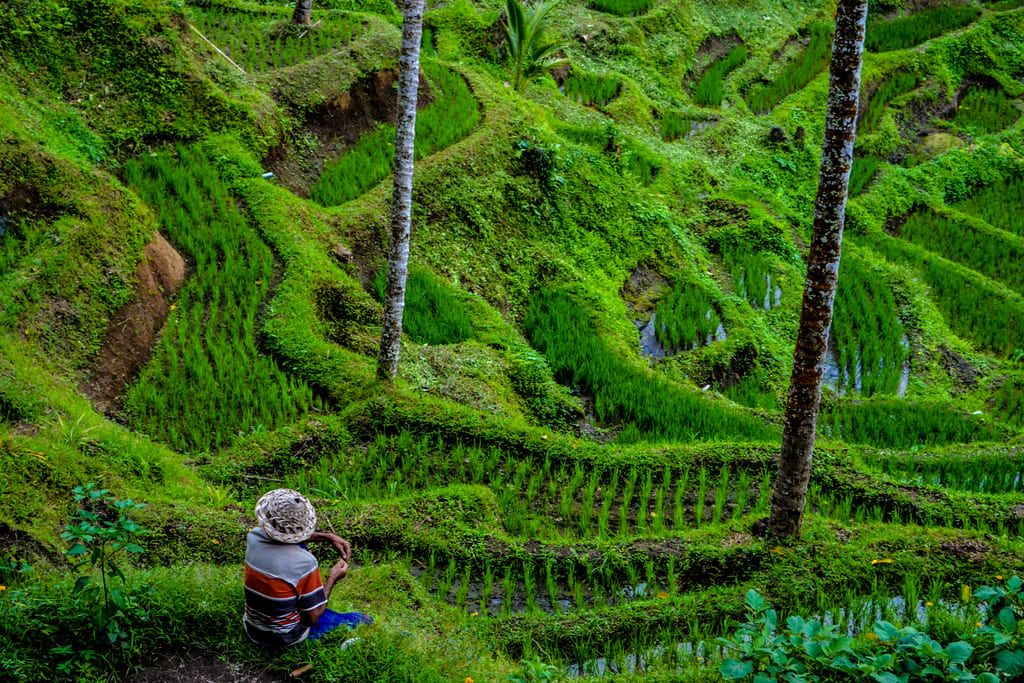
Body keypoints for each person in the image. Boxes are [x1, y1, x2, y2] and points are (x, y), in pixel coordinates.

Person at [243, 488, 371, 647]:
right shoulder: (304, 563)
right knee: (362, 619)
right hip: (284, 637)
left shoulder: (254, 537)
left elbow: (283, 535)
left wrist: (327, 537)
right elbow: (313, 617)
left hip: (253, 628)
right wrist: (333, 578)